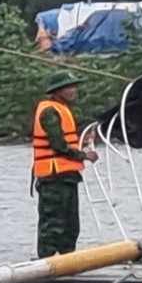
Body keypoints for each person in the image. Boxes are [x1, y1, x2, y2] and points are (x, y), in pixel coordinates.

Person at [31, 71, 98, 257]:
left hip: (67, 177)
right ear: (57, 91)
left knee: (71, 226)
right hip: (53, 177)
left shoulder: (62, 109)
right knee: (52, 225)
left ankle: (68, 261)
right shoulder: (49, 111)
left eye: (74, 86)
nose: (73, 90)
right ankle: (46, 263)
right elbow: (58, 145)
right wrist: (84, 155)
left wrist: (82, 143)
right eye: (69, 87)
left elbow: (66, 141)